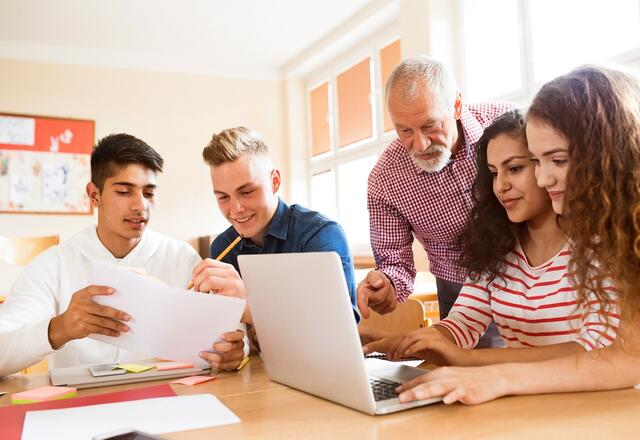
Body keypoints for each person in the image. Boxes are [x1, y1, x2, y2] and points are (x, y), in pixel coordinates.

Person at [394, 65, 640, 405]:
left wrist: (480, 366)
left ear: (607, 155)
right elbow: (626, 358)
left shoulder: (611, 240)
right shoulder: (619, 232)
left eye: (557, 160)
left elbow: (608, 354)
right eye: (538, 161)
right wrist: (429, 348)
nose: (544, 179)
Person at [361, 109, 617, 366]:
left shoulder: (601, 247)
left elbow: (597, 346)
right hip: (525, 397)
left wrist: (470, 359)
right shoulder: (497, 247)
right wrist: (404, 342)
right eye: (494, 173)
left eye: (514, 169)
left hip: (592, 402)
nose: (500, 186)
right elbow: (463, 323)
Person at [0, 134, 245, 376]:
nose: (141, 206)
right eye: (124, 192)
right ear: (94, 195)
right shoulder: (54, 265)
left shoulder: (182, 258)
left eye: (149, 193)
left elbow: (232, 341)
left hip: (166, 400)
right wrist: (59, 328)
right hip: (83, 406)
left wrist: (233, 352)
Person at [358, 55, 512, 346]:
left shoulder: (508, 126)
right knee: (467, 376)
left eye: (430, 126)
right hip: (460, 291)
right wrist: (387, 286)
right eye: (404, 130)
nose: (420, 144)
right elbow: (394, 262)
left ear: (455, 105)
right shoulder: (385, 179)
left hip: (535, 281)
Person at [190, 126, 358, 330]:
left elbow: (338, 328)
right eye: (223, 197)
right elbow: (233, 334)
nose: (236, 209)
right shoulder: (222, 247)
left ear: (274, 182)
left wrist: (251, 308)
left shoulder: (320, 235)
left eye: (247, 191)